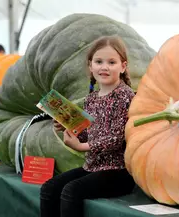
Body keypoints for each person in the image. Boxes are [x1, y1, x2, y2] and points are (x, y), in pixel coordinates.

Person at [40, 36, 136, 217]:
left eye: (111, 62)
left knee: (71, 191)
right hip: (93, 167)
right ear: (90, 67)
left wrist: (81, 146)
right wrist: (68, 127)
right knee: (49, 188)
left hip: (118, 172)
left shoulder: (125, 96)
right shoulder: (91, 99)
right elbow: (90, 135)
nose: (104, 67)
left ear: (123, 67)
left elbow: (116, 138)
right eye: (99, 61)